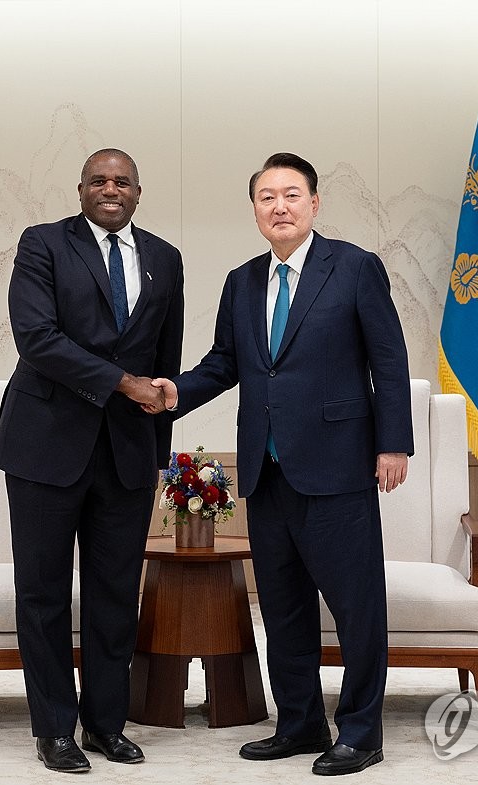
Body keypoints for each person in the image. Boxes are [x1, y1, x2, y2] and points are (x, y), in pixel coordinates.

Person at [151, 152, 412, 776]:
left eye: (291, 195)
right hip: (265, 474)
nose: (280, 206)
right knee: (285, 609)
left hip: (339, 468)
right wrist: (175, 392)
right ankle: (297, 724)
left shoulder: (353, 268)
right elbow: (224, 363)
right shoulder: (242, 281)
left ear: (314, 204)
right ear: (255, 211)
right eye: (267, 197)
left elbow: (390, 359)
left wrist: (392, 444)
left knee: (356, 609)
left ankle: (360, 732)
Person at [0, 148, 183, 772]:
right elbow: (38, 339)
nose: (110, 189)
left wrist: (160, 452)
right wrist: (123, 383)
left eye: (122, 181)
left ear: (138, 191)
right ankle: (54, 729)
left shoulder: (164, 259)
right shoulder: (42, 244)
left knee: (115, 595)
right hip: (45, 447)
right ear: (80, 189)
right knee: (42, 594)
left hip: (126, 455)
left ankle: (106, 724)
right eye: (99, 180)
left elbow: (165, 359)